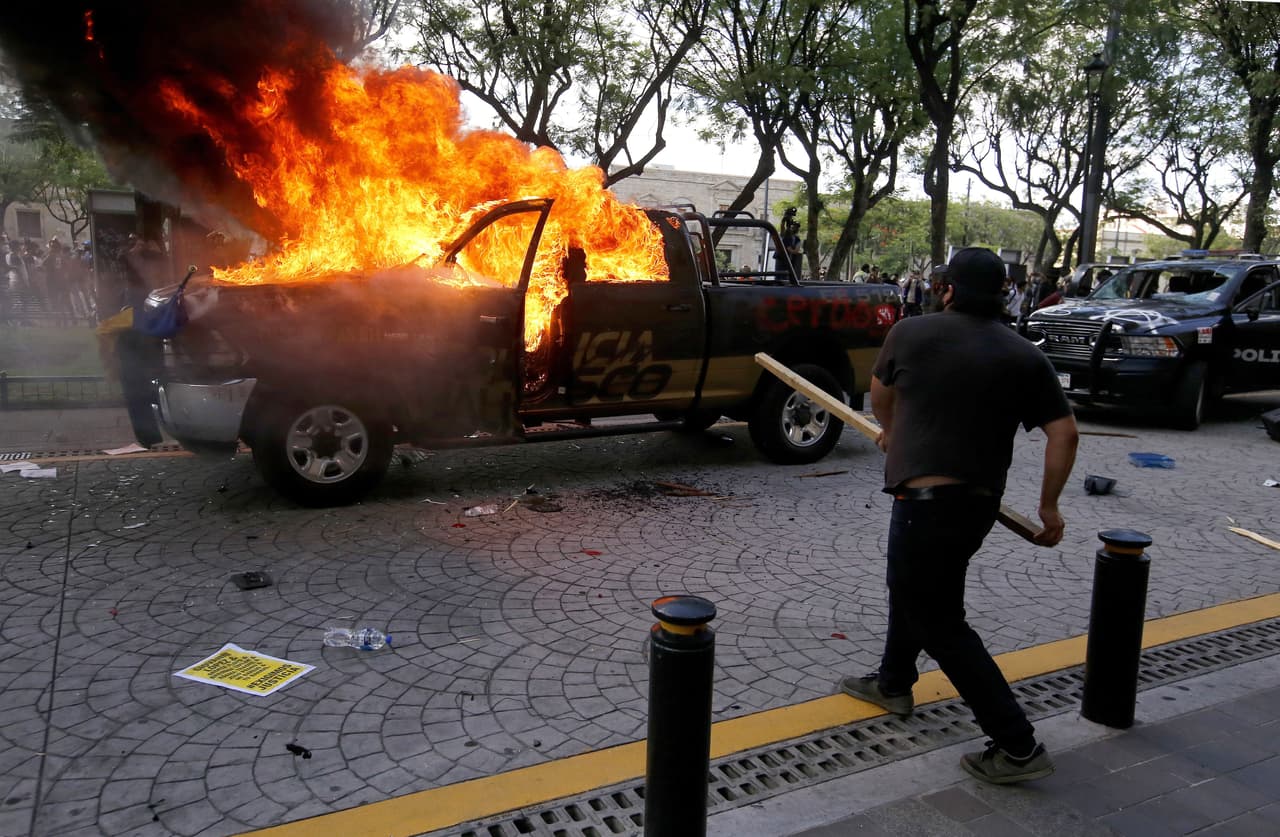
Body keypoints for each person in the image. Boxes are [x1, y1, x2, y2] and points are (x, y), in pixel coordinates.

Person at [839, 246, 1079, 785]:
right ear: (1002, 294)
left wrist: (895, 431)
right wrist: (1049, 506)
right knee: (920, 593)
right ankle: (893, 681)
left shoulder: (912, 333)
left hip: (924, 505)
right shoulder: (1025, 355)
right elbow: (1064, 432)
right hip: (976, 509)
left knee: (937, 617)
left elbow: (880, 394)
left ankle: (1018, 745)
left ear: (947, 289)